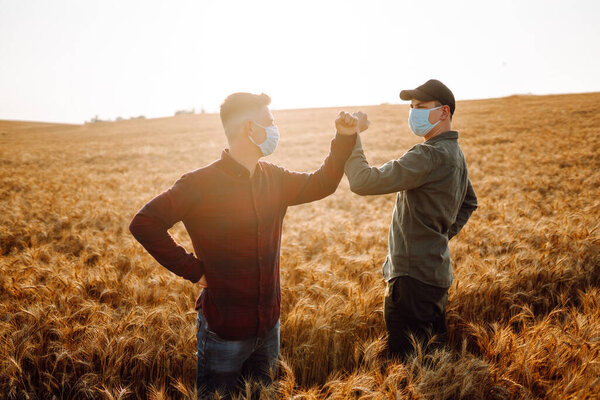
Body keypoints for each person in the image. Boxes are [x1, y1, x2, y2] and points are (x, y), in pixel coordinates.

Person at [129, 92, 367, 398]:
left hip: (268, 328)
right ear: (249, 128)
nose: (274, 129)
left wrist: (344, 138)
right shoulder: (198, 184)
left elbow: (323, 182)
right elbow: (144, 223)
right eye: (269, 122)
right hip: (223, 332)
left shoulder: (275, 178)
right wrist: (192, 269)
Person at [344, 79, 478, 360]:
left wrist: (351, 136)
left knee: (408, 368)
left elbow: (362, 181)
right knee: (432, 363)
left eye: (420, 107)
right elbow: (469, 203)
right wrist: (435, 237)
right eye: (412, 107)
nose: (413, 113)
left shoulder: (427, 154)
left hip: (411, 283)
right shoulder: (455, 152)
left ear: (444, 112)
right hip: (435, 276)